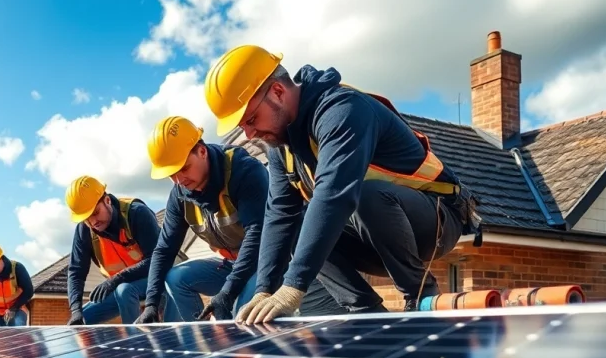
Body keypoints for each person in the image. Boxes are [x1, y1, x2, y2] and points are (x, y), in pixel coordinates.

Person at [203, 44, 480, 324]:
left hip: (436, 219)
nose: (249, 134)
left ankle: (420, 294)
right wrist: (264, 289)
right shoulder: (281, 147)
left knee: (360, 195)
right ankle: (366, 313)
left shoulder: (342, 110)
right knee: (301, 223)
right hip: (373, 236)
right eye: (242, 126)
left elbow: (333, 196)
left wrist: (293, 287)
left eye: (251, 119)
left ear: (277, 92)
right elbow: (279, 217)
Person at [134, 115, 269, 324]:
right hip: (231, 264)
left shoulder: (243, 170)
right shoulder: (180, 194)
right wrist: (151, 304)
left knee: (239, 312)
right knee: (176, 279)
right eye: (172, 174)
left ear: (202, 151)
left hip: (267, 262)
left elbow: (257, 233)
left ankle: (244, 352)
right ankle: (205, 343)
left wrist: (227, 292)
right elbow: (164, 250)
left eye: (184, 168)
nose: (179, 180)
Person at [65, 175, 161, 325]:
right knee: (81, 321)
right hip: (120, 287)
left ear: (107, 200)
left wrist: (116, 279)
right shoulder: (84, 230)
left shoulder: (137, 213)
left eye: (96, 212)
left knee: (124, 290)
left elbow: (156, 260)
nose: (93, 222)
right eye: (87, 218)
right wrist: (76, 311)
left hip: (159, 281)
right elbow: (76, 272)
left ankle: (135, 343)